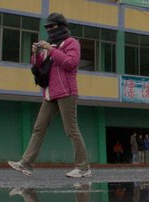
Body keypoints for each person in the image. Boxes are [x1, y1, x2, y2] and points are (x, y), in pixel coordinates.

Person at [8, 12, 91, 178]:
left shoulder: (71, 42)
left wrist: (51, 50)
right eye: (47, 27)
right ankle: (26, 163)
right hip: (50, 93)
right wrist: (35, 54)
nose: (49, 29)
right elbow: (39, 68)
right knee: (39, 128)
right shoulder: (50, 46)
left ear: (61, 26)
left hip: (66, 92)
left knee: (71, 129)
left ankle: (83, 168)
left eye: (52, 26)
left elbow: (71, 63)